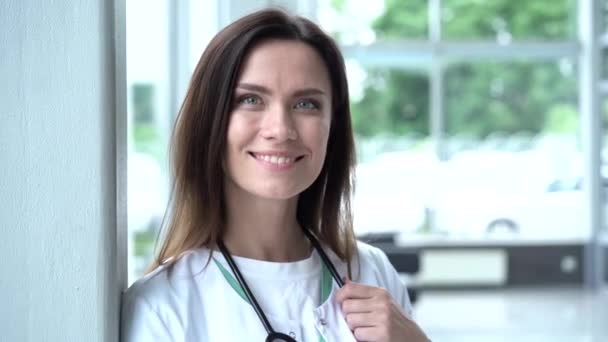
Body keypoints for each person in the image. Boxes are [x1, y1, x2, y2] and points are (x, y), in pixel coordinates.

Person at [121, 8, 429, 342]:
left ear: (332, 127)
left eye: (306, 104)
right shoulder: (163, 306)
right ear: (210, 121)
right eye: (251, 99)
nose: (281, 130)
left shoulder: (371, 272)